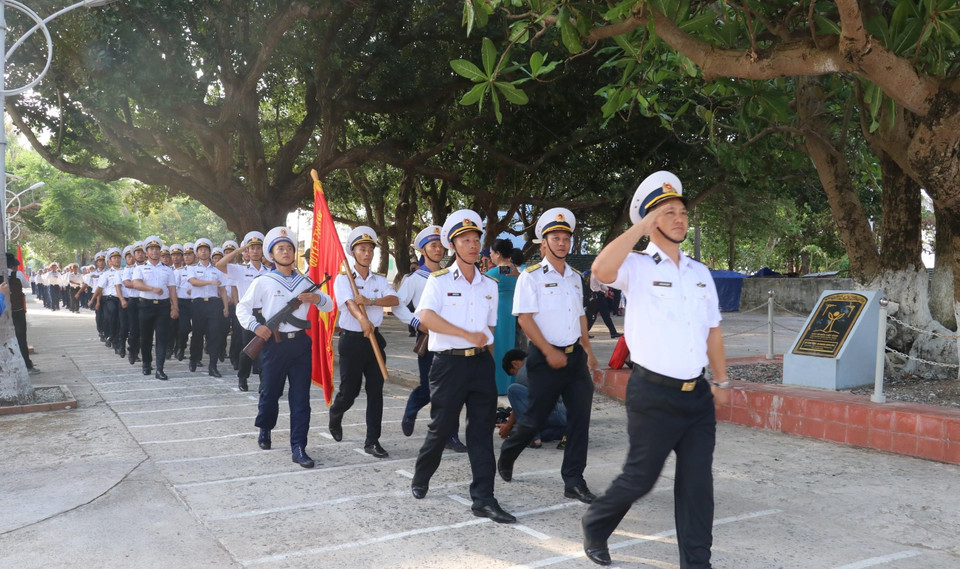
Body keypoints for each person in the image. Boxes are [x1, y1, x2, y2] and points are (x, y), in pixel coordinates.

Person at [580, 171, 732, 567]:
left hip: (696, 396)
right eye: (669, 212)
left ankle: (697, 564)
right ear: (651, 221)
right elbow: (600, 271)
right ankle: (596, 523)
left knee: (698, 486)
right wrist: (640, 229)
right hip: (653, 394)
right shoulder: (636, 265)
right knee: (640, 479)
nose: (680, 218)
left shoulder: (699, 273)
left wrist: (721, 379)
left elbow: (712, 332)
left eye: (683, 211)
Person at [410, 209, 516, 524]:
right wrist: (462, 333)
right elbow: (425, 318)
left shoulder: (489, 285)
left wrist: (493, 365)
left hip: (481, 364)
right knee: (441, 428)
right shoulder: (439, 281)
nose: (472, 245)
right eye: (465, 240)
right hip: (448, 365)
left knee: (481, 432)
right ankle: (422, 473)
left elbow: (493, 329)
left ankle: (483, 499)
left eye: (476, 239)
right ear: (454, 245)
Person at [497, 207, 599, 506]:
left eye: (566, 237)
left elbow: (580, 314)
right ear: (544, 243)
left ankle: (573, 481)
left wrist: (588, 350)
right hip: (544, 359)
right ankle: (509, 452)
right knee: (533, 419)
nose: (561, 243)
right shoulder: (531, 277)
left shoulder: (575, 276)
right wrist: (549, 350)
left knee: (580, 420)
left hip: (574, 359)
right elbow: (525, 319)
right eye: (555, 237)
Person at [237, 226, 333, 468]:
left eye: (290, 248)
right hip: (273, 345)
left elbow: (329, 305)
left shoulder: (305, 282)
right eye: (281, 248)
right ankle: (265, 427)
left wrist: (317, 298)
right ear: (272, 254)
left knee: (300, 398)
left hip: (300, 344)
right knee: (270, 393)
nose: (286, 251)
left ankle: (299, 446)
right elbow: (243, 307)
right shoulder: (264, 281)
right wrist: (254, 326)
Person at [393, 225, 467, 452]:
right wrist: (417, 323)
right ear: (423, 250)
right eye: (433, 246)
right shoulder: (415, 279)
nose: (438, 250)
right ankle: (412, 407)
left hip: (452, 341)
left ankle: (450, 436)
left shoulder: (450, 276)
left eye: (440, 246)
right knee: (428, 386)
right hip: (429, 339)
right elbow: (398, 304)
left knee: (453, 390)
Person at [328, 226, 399, 458]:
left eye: (370, 249)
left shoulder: (378, 279)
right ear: (353, 252)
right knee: (350, 391)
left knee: (375, 391)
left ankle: (372, 440)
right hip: (352, 341)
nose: (367, 253)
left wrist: (371, 301)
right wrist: (362, 320)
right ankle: (336, 413)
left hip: (374, 340)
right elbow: (348, 303)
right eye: (362, 249)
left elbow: (393, 299)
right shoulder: (343, 278)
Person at [215, 231, 269, 391]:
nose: (255, 251)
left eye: (258, 248)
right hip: (248, 314)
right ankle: (243, 378)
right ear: (247, 251)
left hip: (265, 313)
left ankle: (263, 381)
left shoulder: (269, 271)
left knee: (265, 348)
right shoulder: (239, 269)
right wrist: (238, 250)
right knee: (247, 348)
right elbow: (219, 265)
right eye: (251, 248)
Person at [131, 236, 179, 380]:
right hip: (146, 305)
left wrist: (175, 307)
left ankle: (160, 369)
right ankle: (146, 364)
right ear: (147, 252)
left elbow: (172, 290)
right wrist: (152, 288)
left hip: (163, 307)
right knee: (145, 338)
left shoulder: (167, 270)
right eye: (151, 249)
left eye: (157, 249)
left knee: (162, 338)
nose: (154, 251)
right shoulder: (140, 268)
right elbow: (136, 284)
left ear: (160, 251)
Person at [499, 349, 567, 448]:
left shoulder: (524, 371)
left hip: (555, 412)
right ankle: (562, 433)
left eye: (514, 372)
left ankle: (533, 438)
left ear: (514, 364)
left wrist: (508, 426)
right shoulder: (543, 360)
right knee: (521, 430)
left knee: (513, 390)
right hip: (567, 416)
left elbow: (522, 405)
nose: (516, 375)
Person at [187, 238, 228, 377]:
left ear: (210, 252)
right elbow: (193, 282)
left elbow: (222, 289)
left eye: (206, 250)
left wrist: (226, 307)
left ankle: (213, 365)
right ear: (197, 254)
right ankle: (194, 358)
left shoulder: (217, 270)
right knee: (197, 334)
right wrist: (210, 282)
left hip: (214, 304)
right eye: (200, 250)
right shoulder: (192, 268)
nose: (203, 252)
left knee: (214, 335)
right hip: (198, 304)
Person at [485, 238, 520, 394]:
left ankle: (498, 385)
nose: (491, 256)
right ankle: (508, 382)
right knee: (509, 345)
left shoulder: (496, 271)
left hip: (497, 312)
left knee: (497, 346)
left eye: (492, 253)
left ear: (498, 254)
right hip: (511, 312)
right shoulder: (515, 270)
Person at [3, 253, 35, 372]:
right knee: (21, 338)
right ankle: (27, 364)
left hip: (3, 311)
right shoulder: (17, 274)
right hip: (17, 310)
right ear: (13, 265)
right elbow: (26, 285)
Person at [585, 270, 622, 339]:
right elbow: (602, 285)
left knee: (592, 316)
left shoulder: (593, 274)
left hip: (596, 296)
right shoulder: (597, 274)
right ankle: (613, 332)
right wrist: (607, 289)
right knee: (605, 316)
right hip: (599, 296)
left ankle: (584, 332)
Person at [175, 242, 195, 361]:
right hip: (182, 303)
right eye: (185, 254)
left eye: (189, 254)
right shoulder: (179, 271)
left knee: (198, 329)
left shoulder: (199, 270)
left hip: (196, 302)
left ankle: (195, 355)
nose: (187, 257)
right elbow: (174, 288)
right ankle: (180, 347)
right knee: (184, 328)